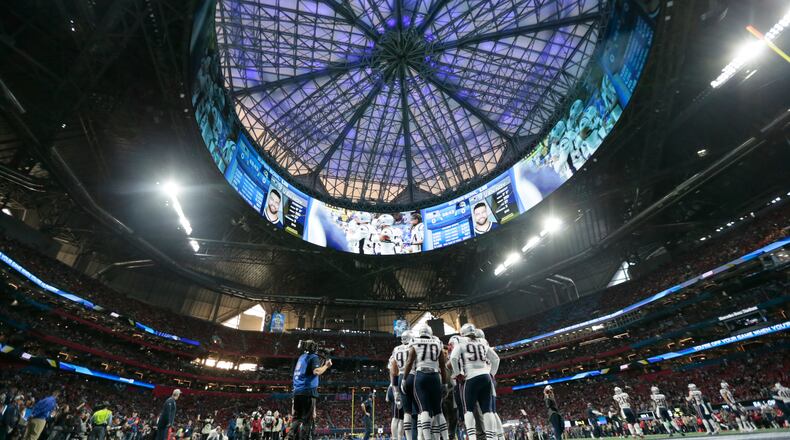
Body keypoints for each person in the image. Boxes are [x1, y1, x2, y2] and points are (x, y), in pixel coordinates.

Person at [450, 324, 500, 440]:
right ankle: (491, 437)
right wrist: (491, 374)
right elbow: (496, 359)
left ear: (462, 333)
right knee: (488, 410)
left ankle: (472, 437)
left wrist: (458, 374)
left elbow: (453, 358)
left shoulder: (461, 341)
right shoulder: (482, 342)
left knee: (468, 409)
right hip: (485, 376)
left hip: (471, 377)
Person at [403, 325, 448, 440]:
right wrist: (444, 383)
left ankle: (426, 438)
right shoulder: (437, 342)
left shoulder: (415, 341)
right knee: (438, 410)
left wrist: (404, 378)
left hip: (421, 375)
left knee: (424, 409)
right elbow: (442, 366)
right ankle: (446, 438)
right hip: (434, 376)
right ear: (430, 332)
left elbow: (409, 362)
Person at [288, 340, 332, 440]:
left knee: (296, 418)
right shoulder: (313, 357)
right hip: (307, 392)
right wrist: (326, 366)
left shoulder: (301, 357)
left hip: (297, 391)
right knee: (307, 420)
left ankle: (290, 437)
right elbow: (316, 371)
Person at [389, 331, 412, 440]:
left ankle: (396, 437)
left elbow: (392, 369)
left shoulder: (396, 349)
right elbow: (393, 370)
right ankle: (396, 437)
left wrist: (393, 387)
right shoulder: (412, 347)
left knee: (399, 416)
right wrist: (395, 390)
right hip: (402, 381)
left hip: (396, 382)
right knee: (400, 416)